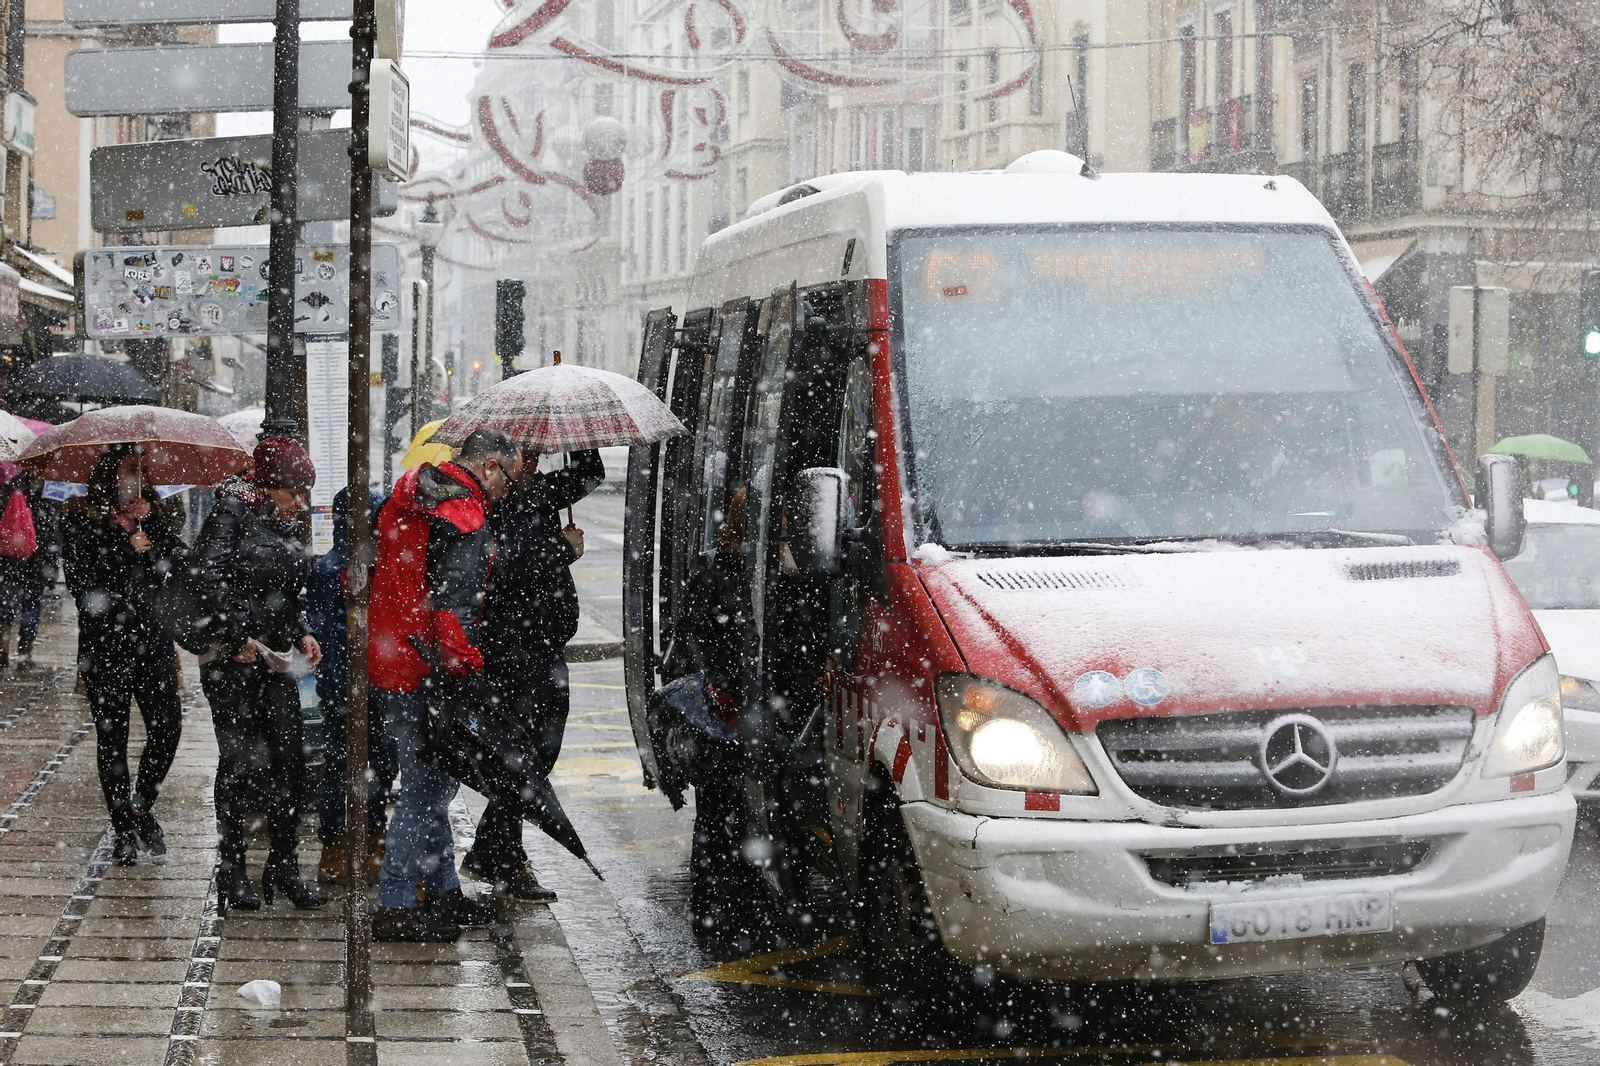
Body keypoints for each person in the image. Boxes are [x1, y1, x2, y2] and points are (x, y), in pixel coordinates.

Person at [368, 429, 520, 942]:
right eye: (508, 479)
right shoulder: (464, 514)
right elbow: (453, 606)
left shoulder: (407, 497)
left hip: (394, 655)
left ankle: (444, 889)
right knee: (427, 788)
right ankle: (394, 904)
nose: (506, 492)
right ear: (492, 465)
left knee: (430, 780)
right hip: (428, 669)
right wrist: (467, 668)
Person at [462, 447, 604, 901]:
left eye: (537, 455)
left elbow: (590, 474)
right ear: (498, 462)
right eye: (525, 456)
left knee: (536, 757)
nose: (534, 464)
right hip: (509, 652)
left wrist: (575, 431)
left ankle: (494, 854)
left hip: (543, 649)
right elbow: (501, 570)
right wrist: (561, 548)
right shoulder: (489, 503)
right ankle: (502, 860)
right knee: (523, 761)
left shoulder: (538, 491)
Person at [192, 436, 325, 911]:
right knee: (240, 764)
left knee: (289, 760)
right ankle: (232, 870)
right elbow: (206, 579)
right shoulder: (230, 512)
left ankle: (284, 867)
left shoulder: (284, 519)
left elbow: (287, 591)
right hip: (235, 663)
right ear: (271, 485)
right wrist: (234, 638)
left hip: (275, 660)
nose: (302, 502)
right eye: (295, 491)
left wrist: (302, 629)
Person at [59, 446, 187, 865]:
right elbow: (83, 587)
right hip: (105, 645)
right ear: (111, 473)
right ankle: (122, 830)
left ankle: (141, 805)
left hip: (153, 642)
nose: (139, 474)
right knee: (112, 740)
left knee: (167, 728)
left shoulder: (159, 513)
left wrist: (150, 528)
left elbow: (178, 568)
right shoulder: (80, 517)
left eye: (143, 468)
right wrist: (126, 549)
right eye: (131, 467)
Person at [309, 487, 398, 884]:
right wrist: (344, 689)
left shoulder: (374, 564)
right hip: (350, 688)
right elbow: (331, 639)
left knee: (380, 766)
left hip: (377, 685)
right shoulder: (336, 570)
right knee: (342, 768)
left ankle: (369, 841)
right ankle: (336, 849)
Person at [0, 461, 41, 670]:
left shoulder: (5, 477)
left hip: (6, 555)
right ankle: (25, 654)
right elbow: (48, 524)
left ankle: (2, 649)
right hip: (35, 554)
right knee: (32, 602)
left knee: (6, 600)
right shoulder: (41, 478)